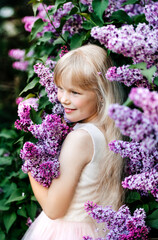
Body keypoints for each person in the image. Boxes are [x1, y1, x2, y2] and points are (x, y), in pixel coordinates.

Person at [22, 44, 124, 240]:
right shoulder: (107, 132)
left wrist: (31, 167)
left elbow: (54, 209)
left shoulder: (80, 138)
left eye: (75, 93)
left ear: (101, 95)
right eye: (60, 88)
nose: (63, 99)